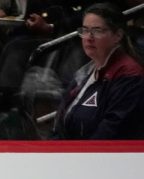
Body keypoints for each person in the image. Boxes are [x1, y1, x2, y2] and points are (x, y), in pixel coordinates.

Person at [53, 2, 144, 139]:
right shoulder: (85, 72)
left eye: (97, 31)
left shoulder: (130, 75)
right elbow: (60, 125)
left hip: (100, 157)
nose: (89, 38)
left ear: (118, 35)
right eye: (85, 30)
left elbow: (111, 132)